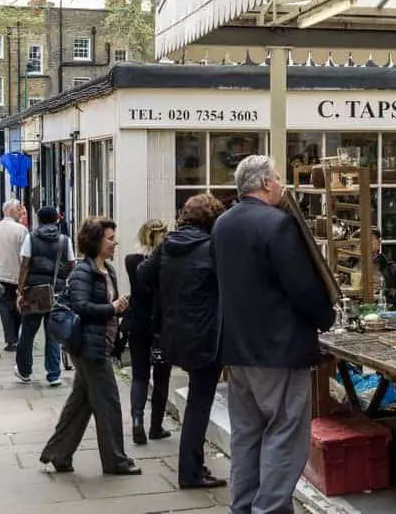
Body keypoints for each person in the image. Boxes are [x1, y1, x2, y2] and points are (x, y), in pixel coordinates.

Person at [211, 155, 334, 513]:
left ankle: (244, 506)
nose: (281, 184)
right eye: (277, 178)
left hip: (237, 347)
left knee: (247, 437)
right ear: (265, 183)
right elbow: (302, 287)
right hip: (278, 348)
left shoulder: (223, 223)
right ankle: (269, 509)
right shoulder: (278, 224)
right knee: (284, 435)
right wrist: (325, 318)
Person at [39, 217, 141, 476]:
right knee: (108, 403)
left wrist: (118, 307)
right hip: (88, 347)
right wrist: (112, 307)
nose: (115, 242)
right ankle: (115, 461)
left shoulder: (109, 269)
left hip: (100, 344)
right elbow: (81, 306)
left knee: (80, 404)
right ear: (95, 241)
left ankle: (58, 454)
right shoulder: (82, 272)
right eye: (110, 238)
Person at [139, 195, 226, 489]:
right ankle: (190, 472)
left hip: (175, 333)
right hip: (205, 336)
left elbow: (142, 274)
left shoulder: (167, 245)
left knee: (195, 404)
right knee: (199, 405)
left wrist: (169, 292)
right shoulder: (211, 248)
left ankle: (193, 468)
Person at [14, 206, 75, 387]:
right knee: (53, 334)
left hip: (34, 291)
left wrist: (20, 289)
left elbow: (25, 264)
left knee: (27, 333)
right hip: (56, 292)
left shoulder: (30, 238)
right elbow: (71, 263)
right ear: (57, 219)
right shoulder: (65, 240)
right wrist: (62, 281)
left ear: (38, 220)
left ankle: (25, 371)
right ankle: (53, 374)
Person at [124, 219, 172, 445]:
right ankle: (156, 426)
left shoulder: (131, 261)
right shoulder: (167, 263)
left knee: (139, 375)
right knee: (161, 378)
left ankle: (136, 420)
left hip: (137, 325)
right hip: (161, 326)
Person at [0, 199, 29, 351]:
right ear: (11, 211)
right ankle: (17, 337)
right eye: (18, 209)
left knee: (4, 307)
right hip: (17, 275)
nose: (20, 213)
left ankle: (11, 340)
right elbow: (25, 256)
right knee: (18, 306)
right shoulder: (21, 230)